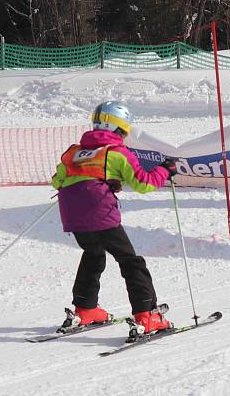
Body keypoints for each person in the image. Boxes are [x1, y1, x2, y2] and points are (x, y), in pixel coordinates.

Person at [51, 101, 177, 335]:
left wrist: (103, 181)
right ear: (121, 129)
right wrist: (165, 171)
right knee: (130, 261)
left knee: (94, 253)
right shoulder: (116, 152)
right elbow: (144, 184)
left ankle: (85, 308)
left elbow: (57, 180)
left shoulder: (73, 151)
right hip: (100, 213)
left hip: (71, 215)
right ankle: (147, 315)